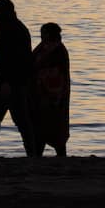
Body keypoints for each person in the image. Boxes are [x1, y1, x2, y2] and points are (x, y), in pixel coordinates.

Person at [0, 0, 36, 157]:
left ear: (4, 12)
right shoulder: (14, 28)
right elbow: (7, 59)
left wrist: (6, 82)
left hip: (10, 84)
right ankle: (32, 154)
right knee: (20, 122)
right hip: (14, 82)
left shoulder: (12, 30)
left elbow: (16, 60)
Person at [31, 22, 70, 157]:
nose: (41, 36)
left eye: (43, 33)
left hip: (54, 96)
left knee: (56, 128)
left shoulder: (58, 50)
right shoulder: (43, 47)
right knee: (40, 128)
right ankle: (37, 154)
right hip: (40, 94)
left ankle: (59, 155)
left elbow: (58, 73)